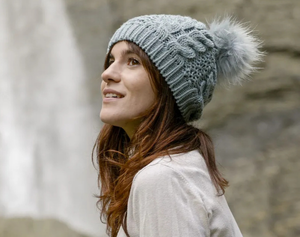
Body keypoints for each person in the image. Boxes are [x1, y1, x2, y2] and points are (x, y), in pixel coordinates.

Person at [93, 14, 262, 237]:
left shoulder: (163, 178)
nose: (107, 74)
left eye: (133, 61)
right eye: (111, 61)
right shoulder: (175, 168)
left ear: (170, 86)